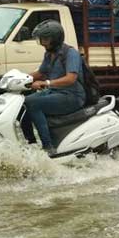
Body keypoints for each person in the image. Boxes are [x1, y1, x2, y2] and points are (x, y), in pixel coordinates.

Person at [20, 20, 86, 155]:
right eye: (41, 39)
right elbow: (41, 73)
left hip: (72, 96)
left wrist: (47, 83)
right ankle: (31, 142)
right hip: (54, 93)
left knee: (33, 103)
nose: (43, 43)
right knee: (22, 103)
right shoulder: (49, 53)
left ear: (55, 39)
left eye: (45, 39)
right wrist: (20, 79)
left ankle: (48, 147)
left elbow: (71, 78)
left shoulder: (71, 53)